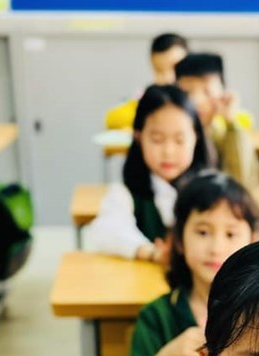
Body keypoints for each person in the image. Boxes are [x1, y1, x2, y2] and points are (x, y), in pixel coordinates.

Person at [128, 170, 259, 356]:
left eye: (230, 234)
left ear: (252, 241)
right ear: (179, 240)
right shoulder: (156, 315)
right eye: (203, 232)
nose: (216, 248)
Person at [87, 84, 210, 263]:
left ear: (196, 138)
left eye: (179, 140)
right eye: (157, 139)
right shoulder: (126, 194)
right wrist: (151, 252)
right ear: (138, 137)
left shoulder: (210, 191)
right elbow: (106, 231)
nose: (168, 151)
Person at [175, 53, 259, 190]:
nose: (197, 101)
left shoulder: (228, 134)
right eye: (187, 92)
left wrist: (231, 121)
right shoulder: (173, 136)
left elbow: (241, 182)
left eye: (207, 92)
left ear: (223, 93)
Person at [105, 33, 189, 130]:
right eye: (159, 70)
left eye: (175, 68)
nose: (167, 78)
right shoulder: (148, 96)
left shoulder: (195, 99)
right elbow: (113, 119)